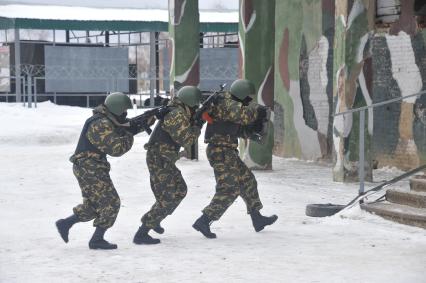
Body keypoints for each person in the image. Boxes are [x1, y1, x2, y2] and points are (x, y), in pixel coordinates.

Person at [56, 92, 145, 250]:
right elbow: (117, 149)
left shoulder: (106, 120)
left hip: (90, 167)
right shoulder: (100, 124)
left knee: (94, 206)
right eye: (124, 111)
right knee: (111, 203)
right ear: (117, 109)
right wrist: (130, 133)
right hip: (89, 168)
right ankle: (97, 239)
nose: (125, 114)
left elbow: (118, 130)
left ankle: (65, 223)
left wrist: (135, 126)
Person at [192, 79, 278, 238]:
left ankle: (257, 218)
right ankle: (204, 220)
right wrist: (257, 111)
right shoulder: (228, 104)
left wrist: (252, 131)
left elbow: (234, 129)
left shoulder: (229, 104)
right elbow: (244, 116)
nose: (249, 101)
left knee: (247, 180)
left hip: (227, 150)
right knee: (229, 189)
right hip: (221, 152)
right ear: (242, 95)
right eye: (248, 98)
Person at [133, 86, 203, 245]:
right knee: (170, 195)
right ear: (190, 102)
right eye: (195, 105)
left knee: (179, 190)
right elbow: (187, 140)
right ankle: (142, 233)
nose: (196, 108)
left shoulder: (178, 111)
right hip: (160, 158)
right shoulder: (176, 114)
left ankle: (153, 219)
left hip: (163, 157)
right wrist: (198, 125)